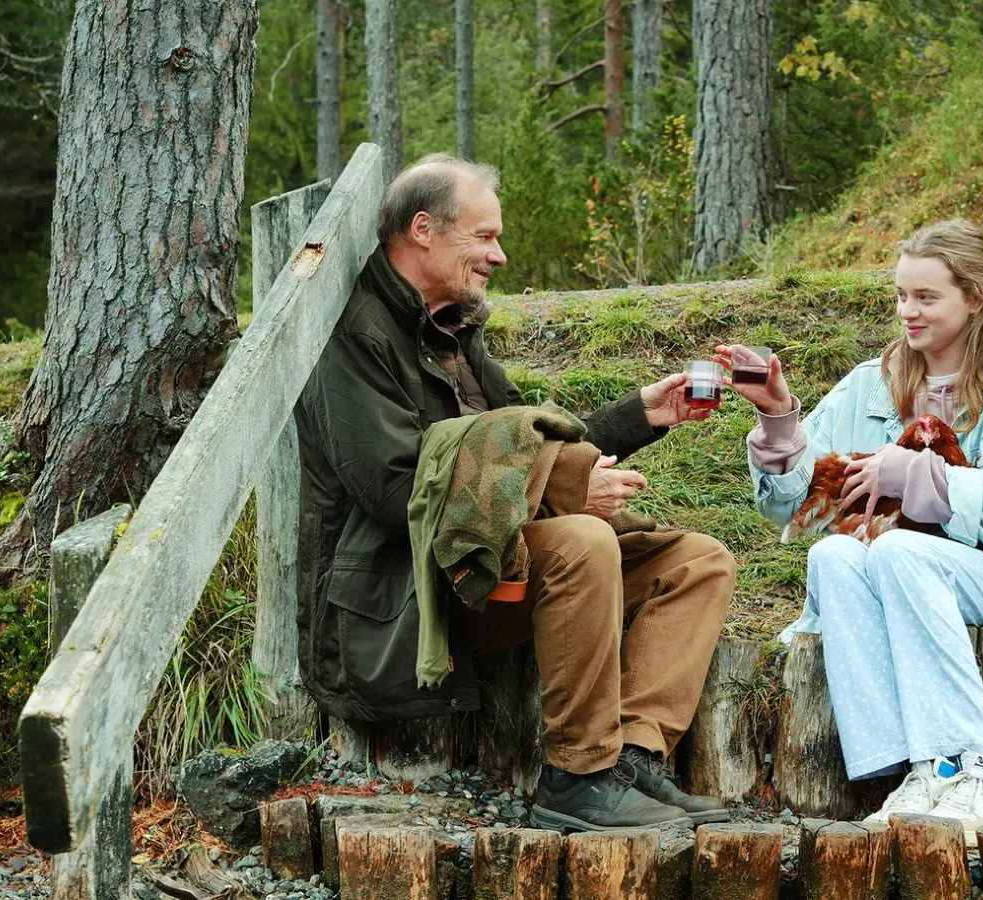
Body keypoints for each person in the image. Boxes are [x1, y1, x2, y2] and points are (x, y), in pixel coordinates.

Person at [296, 154, 738, 833]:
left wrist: (640, 416)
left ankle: (632, 760)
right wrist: (561, 491)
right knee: (584, 541)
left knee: (696, 561)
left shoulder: (452, 329)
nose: (499, 255)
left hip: (487, 565)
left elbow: (521, 448)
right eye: (484, 236)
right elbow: (393, 489)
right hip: (409, 595)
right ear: (423, 229)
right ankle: (578, 779)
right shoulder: (355, 335)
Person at [724, 219, 983, 841]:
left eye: (925, 297)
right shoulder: (872, 382)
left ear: (975, 297)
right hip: (907, 569)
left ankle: (976, 772)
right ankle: (911, 772)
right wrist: (779, 414)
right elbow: (791, 505)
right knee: (834, 554)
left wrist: (918, 474)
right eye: (901, 295)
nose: (907, 312)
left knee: (900, 552)